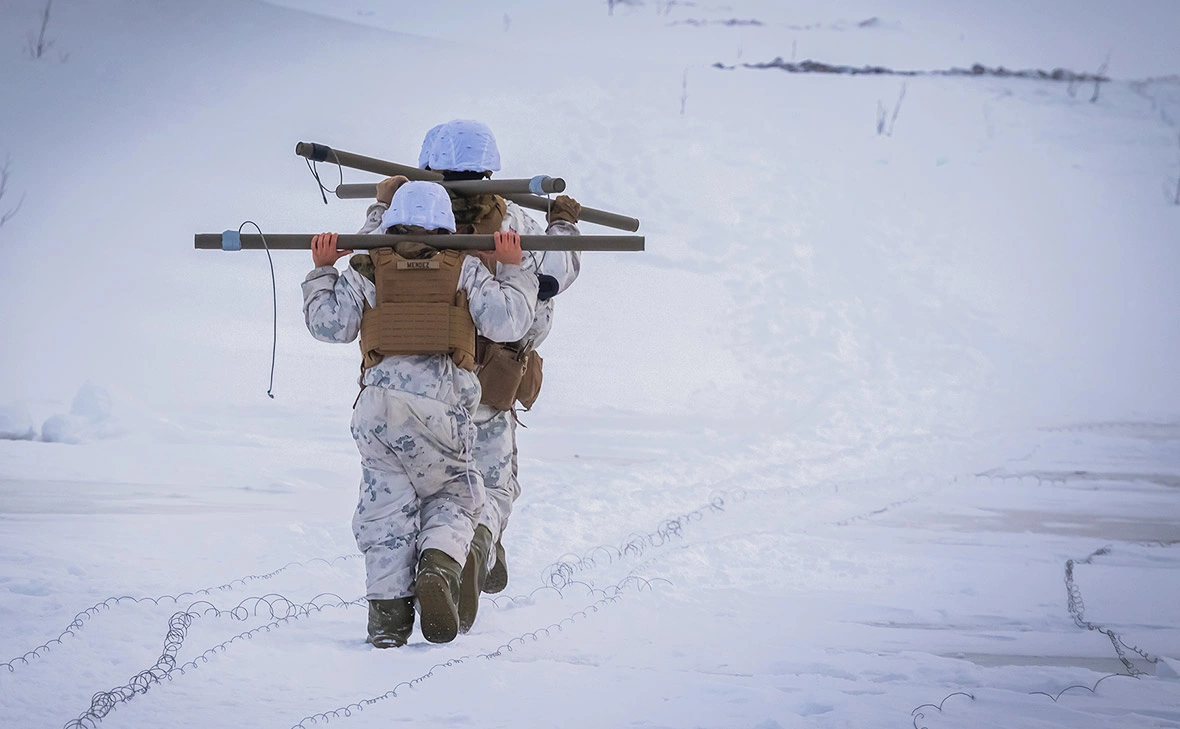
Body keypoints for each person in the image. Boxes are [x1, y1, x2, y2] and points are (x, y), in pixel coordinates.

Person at [359, 120, 582, 633]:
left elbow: (364, 260)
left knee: (402, 500)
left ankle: (397, 607)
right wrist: (563, 227)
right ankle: (476, 548)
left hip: (411, 379)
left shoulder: (402, 223)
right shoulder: (515, 220)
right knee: (489, 488)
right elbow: (554, 276)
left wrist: (380, 206)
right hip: (489, 380)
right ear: (489, 169)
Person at [302, 180, 539, 647]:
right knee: (456, 496)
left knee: (385, 512)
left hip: (377, 410)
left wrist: (322, 270)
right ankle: (439, 566)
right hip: (440, 407)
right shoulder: (464, 267)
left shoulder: (368, 266)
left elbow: (329, 325)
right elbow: (508, 322)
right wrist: (512, 269)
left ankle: (388, 621)